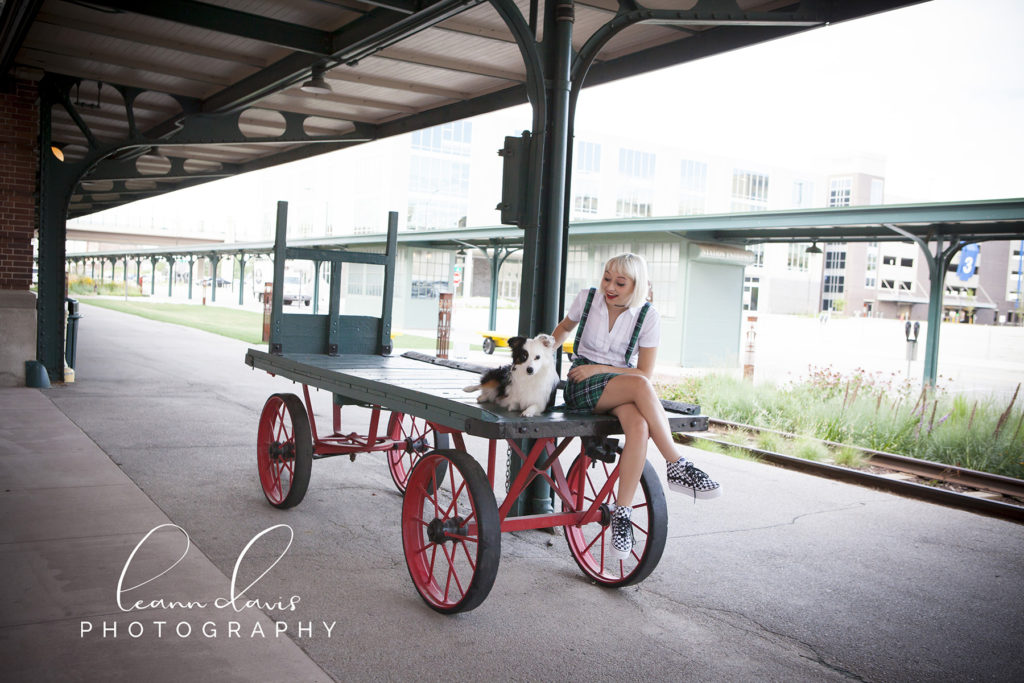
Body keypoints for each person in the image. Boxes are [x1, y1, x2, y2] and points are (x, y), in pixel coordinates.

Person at [550, 253, 721, 560]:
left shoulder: (648, 315)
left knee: (639, 425)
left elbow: (644, 371)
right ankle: (677, 464)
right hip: (582, 382)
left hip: (617, 384)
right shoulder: (587, 299)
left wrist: (601, 369)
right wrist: (542, 352)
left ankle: (622, 513)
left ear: (636, 285)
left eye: (620, 282)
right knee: (640, 388)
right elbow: (563, 329)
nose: (609, 287)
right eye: (606, 278)